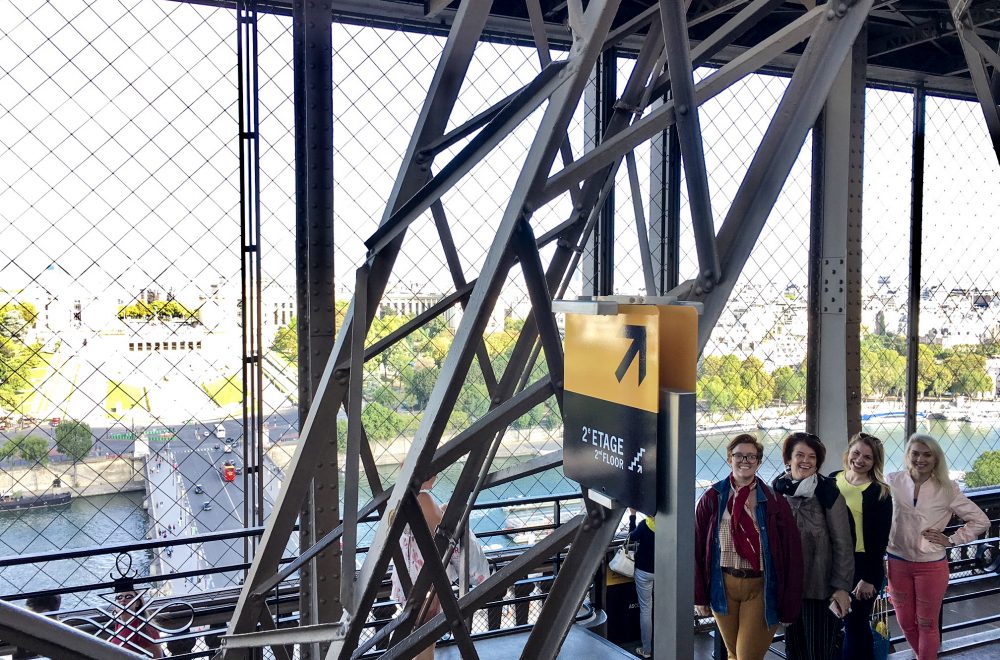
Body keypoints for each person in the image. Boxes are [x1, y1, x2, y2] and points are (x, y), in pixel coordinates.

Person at [695, 434, 803, 660]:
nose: (745, 460)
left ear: (759, 461)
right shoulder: (712, 498)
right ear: (729, 459)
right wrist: (700, 596)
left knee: (746, 657)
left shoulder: (774, 501)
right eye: (738, 455)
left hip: (761, 587)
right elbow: (696, 548)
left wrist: (790, 603)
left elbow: (792, 553)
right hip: (722, 586)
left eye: (751, 456)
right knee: (733, 654)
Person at [886, 433, 989, 660]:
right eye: (915, 453)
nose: (920, 459)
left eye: (927, 454)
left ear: (935, 459)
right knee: (905, 623)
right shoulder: (893, 480)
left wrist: (952, 539)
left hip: (930, 566)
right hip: (896, 562)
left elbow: (981, 521)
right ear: (907, 455)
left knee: (927, 623)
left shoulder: (947, 488)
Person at [773, 432, 854, 660]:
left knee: (820, 653)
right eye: (799, 455)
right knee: (794, 650)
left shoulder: (828, 493)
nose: (805, 461)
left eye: (812, 456)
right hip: (789, 587)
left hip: (820, 589)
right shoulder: (777, 491)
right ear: (788, 458)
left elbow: (843, 544)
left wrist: (841, 586)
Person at [831, 432, 893, 660]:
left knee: (855, 623)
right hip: (834, 563)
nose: (859, 460)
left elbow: (880, 539)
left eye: (867, 457)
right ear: (849, 453)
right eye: (856, 453)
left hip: (863, 566)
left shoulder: (880, 491)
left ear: (875, 462)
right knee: (842, 624)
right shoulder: (832, 479)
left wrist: (867, 577)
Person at [391, 475, 445, 660]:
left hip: (406, 570)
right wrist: (443, 510)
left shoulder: (400, 497)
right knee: (427, 627)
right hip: (425, 571)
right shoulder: (423, 499)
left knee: (415, 623)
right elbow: (439, 526)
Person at [626, 509, 655, 659]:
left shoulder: (645, 525)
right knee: (666, 608)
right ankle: (667, 643)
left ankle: (647, 649)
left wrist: (632, 516)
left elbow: (631, 536)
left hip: (644, 571)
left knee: (645, 609)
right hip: (666, 571)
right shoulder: (671, 526)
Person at [109, 580, 163, 658]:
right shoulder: (119, 623)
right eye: (119, 597)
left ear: (137, 603)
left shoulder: (146, 629)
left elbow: (157, 657)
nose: (123, 599)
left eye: (128, 597)